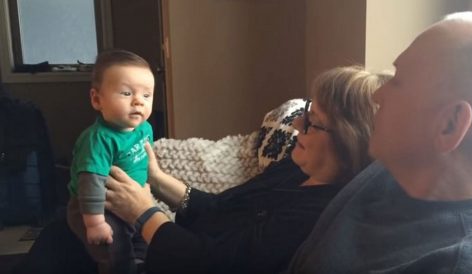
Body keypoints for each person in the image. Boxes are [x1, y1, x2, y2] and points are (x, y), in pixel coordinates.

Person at [285, 11, 472, 274]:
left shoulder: (460, 264)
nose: (377, 95)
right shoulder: (399, 166)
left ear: (450, 125)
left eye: (398, 81)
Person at [103, 66, 392, 273]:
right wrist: (158, 179)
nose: (294, 125)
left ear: (346, 143)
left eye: (311, 121)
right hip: (177, 246)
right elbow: (220, 206)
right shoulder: (296, 168)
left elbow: (210, 262)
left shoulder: (318, 221)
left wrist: (144, 213)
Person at [67, 49, 155, 274]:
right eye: (126, 93)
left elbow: (142, 161)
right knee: (116, 251)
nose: (138, 101)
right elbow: (90, 184)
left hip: (129, 200)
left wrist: (146, 188)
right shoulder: (98, 139)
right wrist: (95, 223)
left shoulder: (144, 128)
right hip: (96, 206)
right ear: (97, 99)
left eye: (147, 95)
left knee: (145, 239)